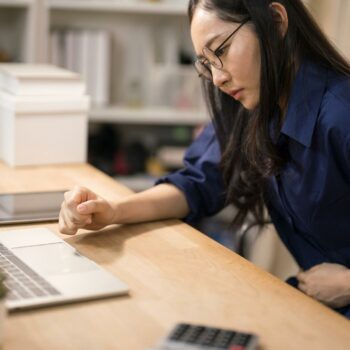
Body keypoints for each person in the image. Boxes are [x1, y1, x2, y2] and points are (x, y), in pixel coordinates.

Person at [59, 0, 350, 318]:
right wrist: (112, 210)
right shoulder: (253, 104)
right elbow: (199, 182)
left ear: (277, 21)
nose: (217, 78)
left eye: (221, 51)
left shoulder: (341, 114)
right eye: (206, 63)